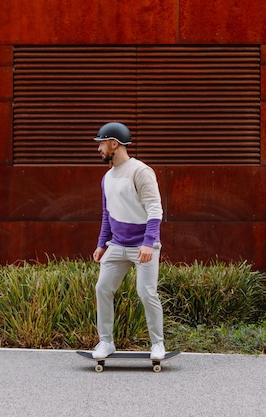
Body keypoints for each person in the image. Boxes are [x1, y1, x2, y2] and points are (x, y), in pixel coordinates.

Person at [91, 122, 166, 360]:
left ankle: (158, 344)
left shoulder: (140, 171)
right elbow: (107, 213)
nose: (99, 149)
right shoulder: (107, 177)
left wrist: (148, 242)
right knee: (102, 288)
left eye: (101, 143)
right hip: (118, 245)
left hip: (143, 246)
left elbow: (155, 209)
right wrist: (102, 244)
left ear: (114, 143)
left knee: (146, 293)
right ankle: (106, 342)